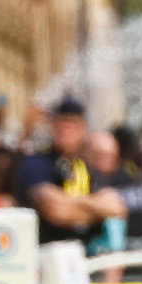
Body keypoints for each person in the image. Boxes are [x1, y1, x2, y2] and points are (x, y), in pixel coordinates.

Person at [15, 97, 126, 245]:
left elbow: (115, 208)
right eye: (61, 124)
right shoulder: (37, 163)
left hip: (85, 255)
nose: (66, 131)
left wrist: (70, 203)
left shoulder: (86, 167)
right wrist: (95, 210)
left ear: (83, 129)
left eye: (72, 125)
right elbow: (55, 210)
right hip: (48, 252)